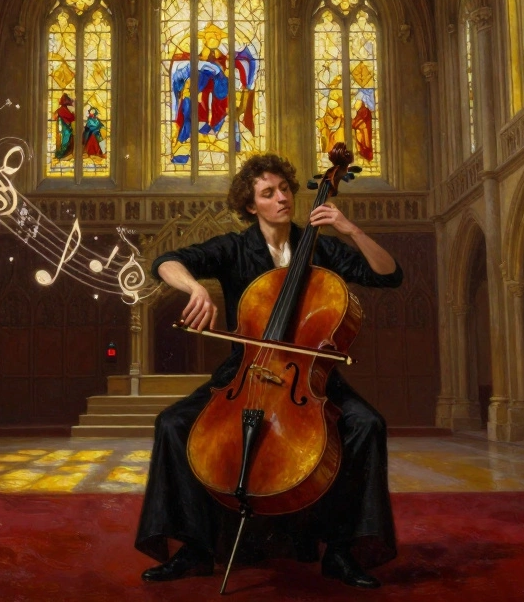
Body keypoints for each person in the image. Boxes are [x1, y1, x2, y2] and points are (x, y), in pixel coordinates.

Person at [135, 153, 403, 590]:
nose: (281, 199)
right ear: (250, 205)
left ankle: (340, 551)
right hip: (246, 371)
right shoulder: (235, 248)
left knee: (366, 425)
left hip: (309, 376)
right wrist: (194, 286)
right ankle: (194, 550)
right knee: (172, 423)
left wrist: (349, 229)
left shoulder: (321, 246)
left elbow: (389, 275)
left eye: (284, 190)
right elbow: (165, 261)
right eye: (267, 193)